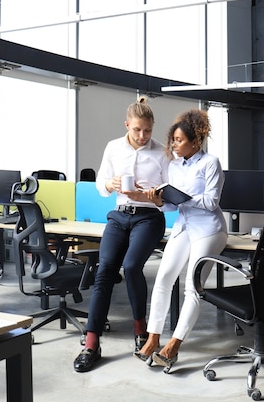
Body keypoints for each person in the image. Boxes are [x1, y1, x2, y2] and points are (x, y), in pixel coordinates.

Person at [74, 97, 170, 372]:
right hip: (119, 215)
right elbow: (101, 185)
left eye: (148, 130)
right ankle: (91, 344)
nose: (143, 136)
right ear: (127, 125)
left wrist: (154, 196)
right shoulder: (113, 147)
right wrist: (110, 182)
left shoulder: (162, 152)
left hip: (149, 216)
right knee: (104, 270)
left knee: (131, 267)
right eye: (137, 129)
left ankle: (141, 330)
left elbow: (170, 194)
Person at [135, 109, 228, 373]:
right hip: (183, 227)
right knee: (164, 278)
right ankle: (153, 337)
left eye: (179, 140)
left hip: (209, 229)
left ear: (195, 142)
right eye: (173, 139)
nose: (174, 144)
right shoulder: (174, 166)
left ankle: (174, 344)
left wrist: (181, 197)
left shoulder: (210, 163)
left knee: (192, 285)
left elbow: (211, 203)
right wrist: (159, 201)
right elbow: (171, 209)